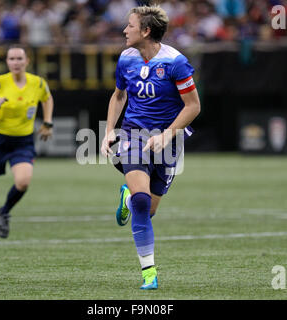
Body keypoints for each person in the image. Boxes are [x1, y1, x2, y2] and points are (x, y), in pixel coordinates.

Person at [101, 5, 201, 290]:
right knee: (143, 203)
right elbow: (119, 95)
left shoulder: (176, 63)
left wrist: (168, 135)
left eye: (130, 26)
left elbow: (193, 106)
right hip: (134, 135)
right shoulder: (126, 59)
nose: (124, 30)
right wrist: (109, 131)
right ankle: (149, 272)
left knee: (149, 208)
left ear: (145, 31)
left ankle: (127, 198)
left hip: (168, 140)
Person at [0, 45, 54, 245]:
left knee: (23, 181)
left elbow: (47, 99)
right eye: (12, 59)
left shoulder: (37, 83)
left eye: (19, 58)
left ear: (27, 61)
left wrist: (47, 122)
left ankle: (3, 212)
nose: (15, 62)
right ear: (7, 62)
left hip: (22, 141)